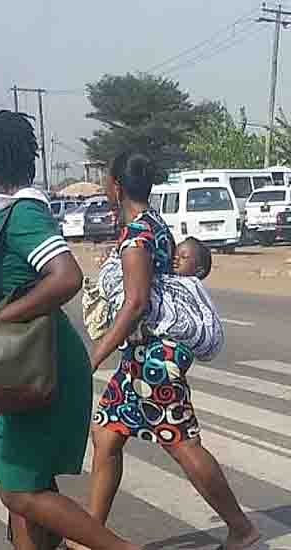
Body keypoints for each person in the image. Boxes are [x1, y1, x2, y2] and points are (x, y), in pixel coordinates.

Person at [0, 112, 140, 550]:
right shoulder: (6, 214)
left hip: (40, 364)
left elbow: (66, 277)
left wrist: (0, 318)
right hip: (20, 364)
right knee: (24, 492)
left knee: (20, 491)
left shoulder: (24, 216)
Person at [84, 151, 258, 550]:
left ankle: (241, 528)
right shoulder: (156, 226)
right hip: (140, 357)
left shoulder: (138, 237)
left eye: (107, 180)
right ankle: (91, 536)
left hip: (155, 358)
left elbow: (135, 303)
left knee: (181, 443)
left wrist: (94, 355)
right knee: (107, 436)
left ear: (117, 186)